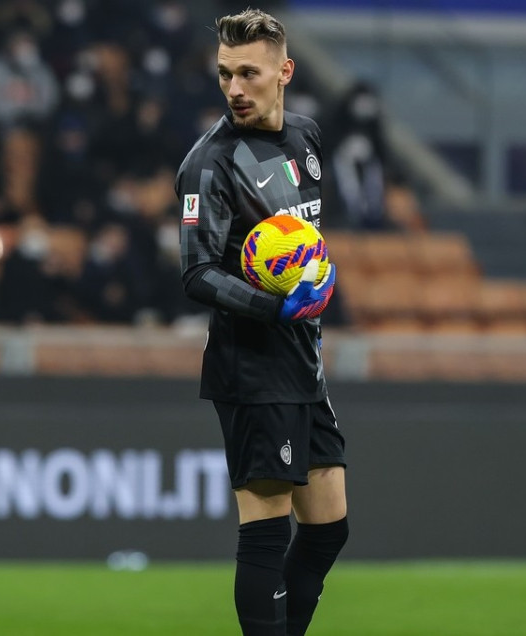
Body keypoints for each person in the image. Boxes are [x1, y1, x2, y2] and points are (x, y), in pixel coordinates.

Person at [174, 9, 347, 636]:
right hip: (250, 364)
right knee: (269, 530)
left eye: (249, 73)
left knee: (330, 527)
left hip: (304, 359)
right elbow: (195, 274)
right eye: (225, 75)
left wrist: (317, 276)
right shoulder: (210, 165)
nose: (234, 89)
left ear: (285, 72)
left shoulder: (306, 137)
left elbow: (304, 239)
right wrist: (277, 304)